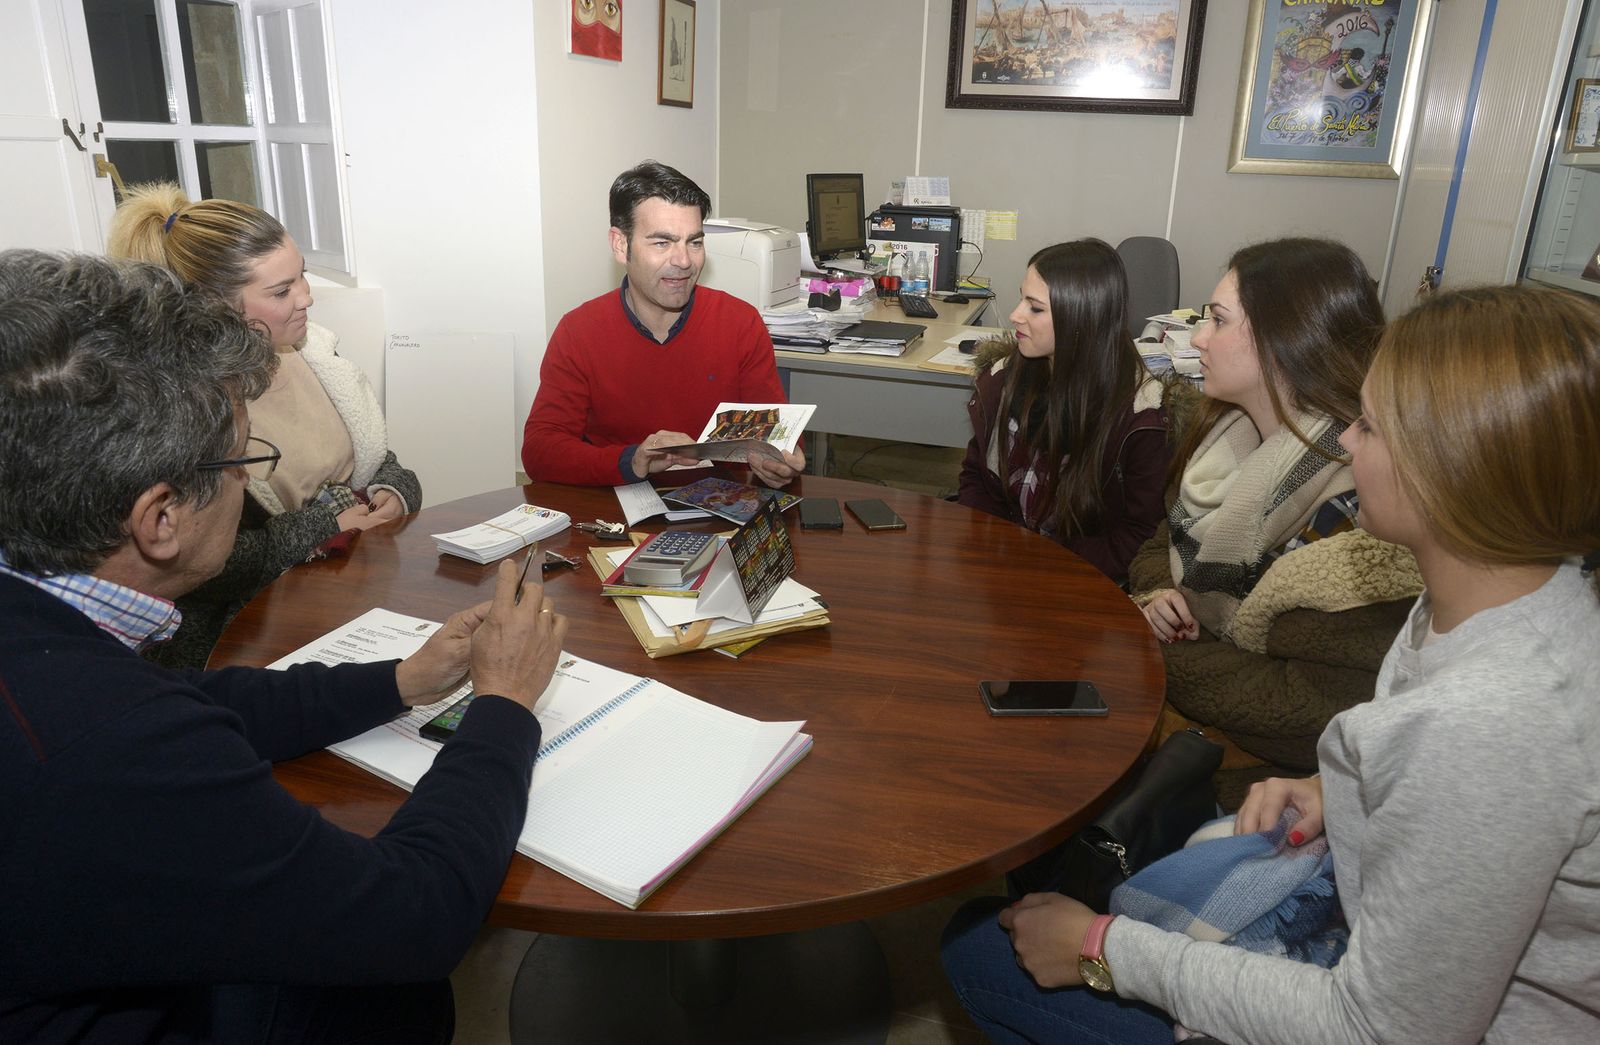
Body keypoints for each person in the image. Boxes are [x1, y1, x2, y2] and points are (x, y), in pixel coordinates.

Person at [941, 282, 1600, 1044]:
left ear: (1457, 468)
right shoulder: (1505, 599)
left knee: (978, 946)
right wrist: (1336, 789)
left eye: (1370, 426)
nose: (1345, 441)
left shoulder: (1490, 727)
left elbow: (1376, 1029)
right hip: (1376, 934)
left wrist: (1104, 950)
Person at [0, 250, 569, 1043]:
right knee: (401, 1004)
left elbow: (189, 700)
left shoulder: (52, 642)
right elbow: (415, 915)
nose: (247, 485)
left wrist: (404, 679)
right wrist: (503, 703)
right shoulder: (109, 741)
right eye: (242, 460)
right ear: (160, 517)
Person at [1126, 238, 1420, 805]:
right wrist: (1158, 593)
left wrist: (1152, 646)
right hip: (1192, 723)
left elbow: (1305, 707)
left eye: (1217, 320)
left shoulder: (1355, 501)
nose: (1198, 338)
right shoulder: (1226, 434)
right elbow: (1160, 543)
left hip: (1256, 780)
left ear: (1286, 340)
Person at [107, 183, 421, 668]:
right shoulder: (177, 408)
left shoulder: (314, 355)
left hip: (347, 595)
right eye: (281, 291)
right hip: (242, 639)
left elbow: (375, 458)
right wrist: (325, 525)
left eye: (302, 276)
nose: (306, 298)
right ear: (211, 305)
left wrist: (392, 491)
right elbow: (199, 563)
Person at [520, 160, 803, 488]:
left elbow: (778, 432)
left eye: (694, 242)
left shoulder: (740, 322)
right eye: (662, 243)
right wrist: (632, 460)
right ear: (620, 245)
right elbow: (540, 450)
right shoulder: (579, 331)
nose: (684, 261)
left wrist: (783, 459)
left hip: (719, 503)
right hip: (614, 504)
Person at [958, 239, 1169, 584]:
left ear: (1081, 319)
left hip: (1080, 583)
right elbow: (976, 477)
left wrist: (1041, 565)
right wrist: (995, 551)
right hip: (1002, 571)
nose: (1015, 315)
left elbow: (1140, 535)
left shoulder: (1140, 417)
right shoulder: (1004, 381)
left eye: (1035, 308)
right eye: (1022, 299)